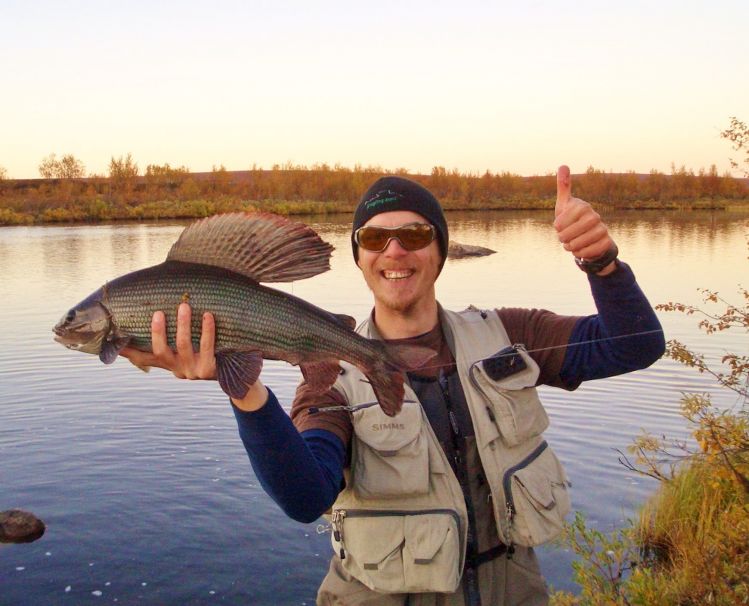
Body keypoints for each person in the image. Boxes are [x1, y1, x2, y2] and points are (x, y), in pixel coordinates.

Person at [121, 166, 665, 606]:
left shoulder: (510, 334)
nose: (395, 251)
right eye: (376, 237)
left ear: (440, 251)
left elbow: (635, 344)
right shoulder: (328, 373)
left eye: (415, 235)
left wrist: (602, 263)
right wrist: (245, 394)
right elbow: (305, 496)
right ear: (359, 256)